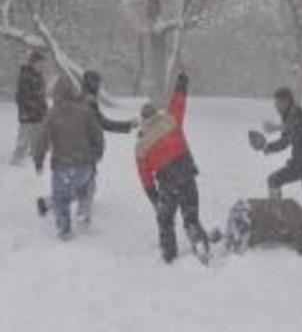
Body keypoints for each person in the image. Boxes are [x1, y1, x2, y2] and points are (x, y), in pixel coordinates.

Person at [136, 71, 211, 264]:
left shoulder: (141, 145)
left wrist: (154, 197)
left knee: (165, 219)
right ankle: (199, 243)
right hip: (186, 173)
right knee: (190, 214)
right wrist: (182, 80)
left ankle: (169, 253)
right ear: (156, 114)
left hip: (167, 182)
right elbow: (179, 101)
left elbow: (145, 176)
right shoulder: (170, 120)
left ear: (143, 120)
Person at [33, 76, 105, 240]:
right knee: (84, 189)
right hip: (84, 164)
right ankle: (83, 210)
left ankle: (64, 229)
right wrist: (97, 153)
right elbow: (97, 134)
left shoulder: (53, 114)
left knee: (61, 198)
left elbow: (42, 139)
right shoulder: (84, 111)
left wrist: (39, 160)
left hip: (62, 166)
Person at [249, 88, 302, 228]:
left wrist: (276, 128)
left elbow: (292, 130)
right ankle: (277, 216)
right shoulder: (289, 116)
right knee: (275, 181)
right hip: (300, 163)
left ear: (287, 102)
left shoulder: (298, 114)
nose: (276, 107)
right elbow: (285, 140)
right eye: (275, 104)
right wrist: (268, 147)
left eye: (279, 103)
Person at [76, 70, 137, 224]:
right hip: (85, 148)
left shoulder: (83, 98)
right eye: (97, 83)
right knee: (87, 183)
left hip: (82, 148)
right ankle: (81, 211)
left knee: (86, 181)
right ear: (92, 84)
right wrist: (129, 125)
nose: (99, 87)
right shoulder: (88, 101)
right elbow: (103, 123)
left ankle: (77, 207)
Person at [223, 197, 302, 255]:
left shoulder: (295, 230)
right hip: (247, 211)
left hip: (250, 225)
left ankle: (223, 238)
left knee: (233, 247)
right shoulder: (294, 208)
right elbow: (299, 237)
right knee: (236, 252)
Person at [12, 51, 48, 165]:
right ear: (33, 63)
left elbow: (42, 95)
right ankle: (17, 157)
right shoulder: (26, 76)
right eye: (39, 63)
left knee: (38, 134)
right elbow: (21, 97)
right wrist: (26, 111)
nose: (42, 66)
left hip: (39, 112)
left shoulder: (40, 76)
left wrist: (44, 108)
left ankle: (34, 152)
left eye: (43, 63)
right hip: (27, 112)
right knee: (25, 135)